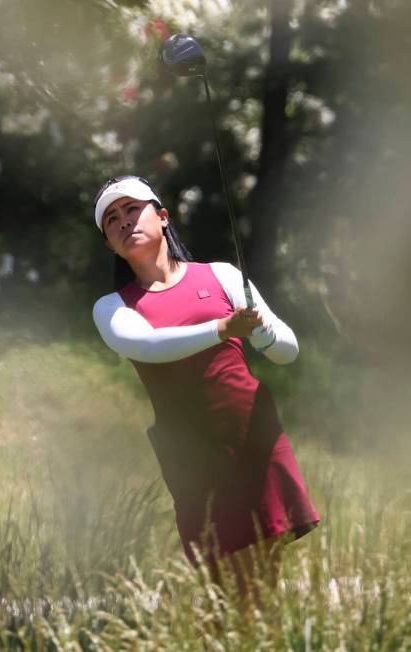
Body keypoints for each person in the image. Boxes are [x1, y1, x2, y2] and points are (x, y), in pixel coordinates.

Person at [92, 175, 319, 599]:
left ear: (162, 217)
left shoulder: (221, 274)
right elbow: (146, 345)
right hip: (191, 454)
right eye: (111, 219)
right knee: (224, 585)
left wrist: (259, 332)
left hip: (253, 433)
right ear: (109, 243)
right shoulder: (112, 306)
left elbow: (286, 350)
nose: (123, 221)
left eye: (132, 210)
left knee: (262, 579)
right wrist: (222, 327)